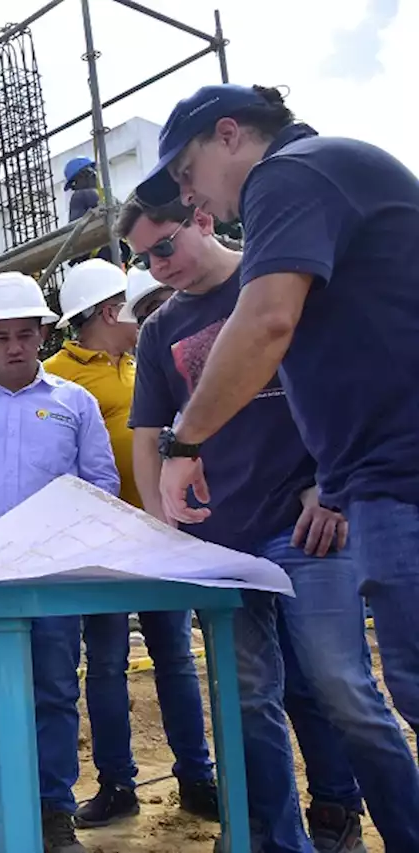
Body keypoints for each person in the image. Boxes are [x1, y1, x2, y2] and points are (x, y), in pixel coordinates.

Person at [119, 189, 419, 852]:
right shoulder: (160, 329)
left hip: (309, 528)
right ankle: (281, 842)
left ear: (201, 216)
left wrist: (330, 487)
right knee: (248, 698)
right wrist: (161, 532)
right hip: (222, 543)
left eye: (164, 245)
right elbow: (148, 437)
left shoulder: (280, 280)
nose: (158, 265)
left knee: (344, 687)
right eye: (142, 256)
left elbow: (351, 387)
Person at [138, 83, 419, 740]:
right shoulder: (320, 173)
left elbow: (264, 323)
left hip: (401, 472)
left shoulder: (286, 176)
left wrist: (184, 444)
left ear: (230, 134)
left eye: (188, 173)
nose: (190, 194)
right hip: (382, 474)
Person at [0, 271, 120, 853]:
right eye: (1, 336)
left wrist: (71, 543)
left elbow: (101, 482)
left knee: (54, 689)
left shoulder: (74, 404)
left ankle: (54, 813)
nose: (13, 346)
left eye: (24, 335)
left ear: (42, 334)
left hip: (49, 570)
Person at [43, 259, 219, 827]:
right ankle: (118, 784)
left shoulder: (144, 364)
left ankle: (197, 777)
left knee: (175, 660)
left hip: (159, 533)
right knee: (107, 665)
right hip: (99, 544)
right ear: (105, 311)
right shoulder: (56, 376)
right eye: (131, 303)